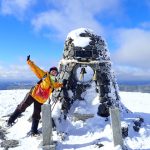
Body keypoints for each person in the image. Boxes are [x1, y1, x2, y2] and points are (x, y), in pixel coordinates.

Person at [7, 55, 63, 135]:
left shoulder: (55, 82)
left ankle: (34, 131)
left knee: (36, 114)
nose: (54, 72)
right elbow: (36, 69)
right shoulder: (45, 75)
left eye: (55, 71)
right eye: (52, 71)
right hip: (33, 94)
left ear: (56, 73)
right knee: (22, 106)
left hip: (41, 100)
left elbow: (57, 85)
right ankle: (10, 121)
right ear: (50, 71)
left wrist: (62, 84)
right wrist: (29, 62)